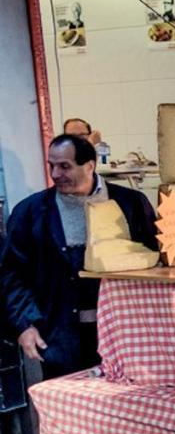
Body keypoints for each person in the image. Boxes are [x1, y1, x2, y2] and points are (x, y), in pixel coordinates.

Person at [1, 134, 157, 378]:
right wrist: (24, 325)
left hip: (126, 333)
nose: (55, 174)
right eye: (51, 165)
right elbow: (11, 275)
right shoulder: (30, 213)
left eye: (65, 166)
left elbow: (157, 261)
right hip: (61, 338)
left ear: (90, 166)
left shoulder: (131, 204)